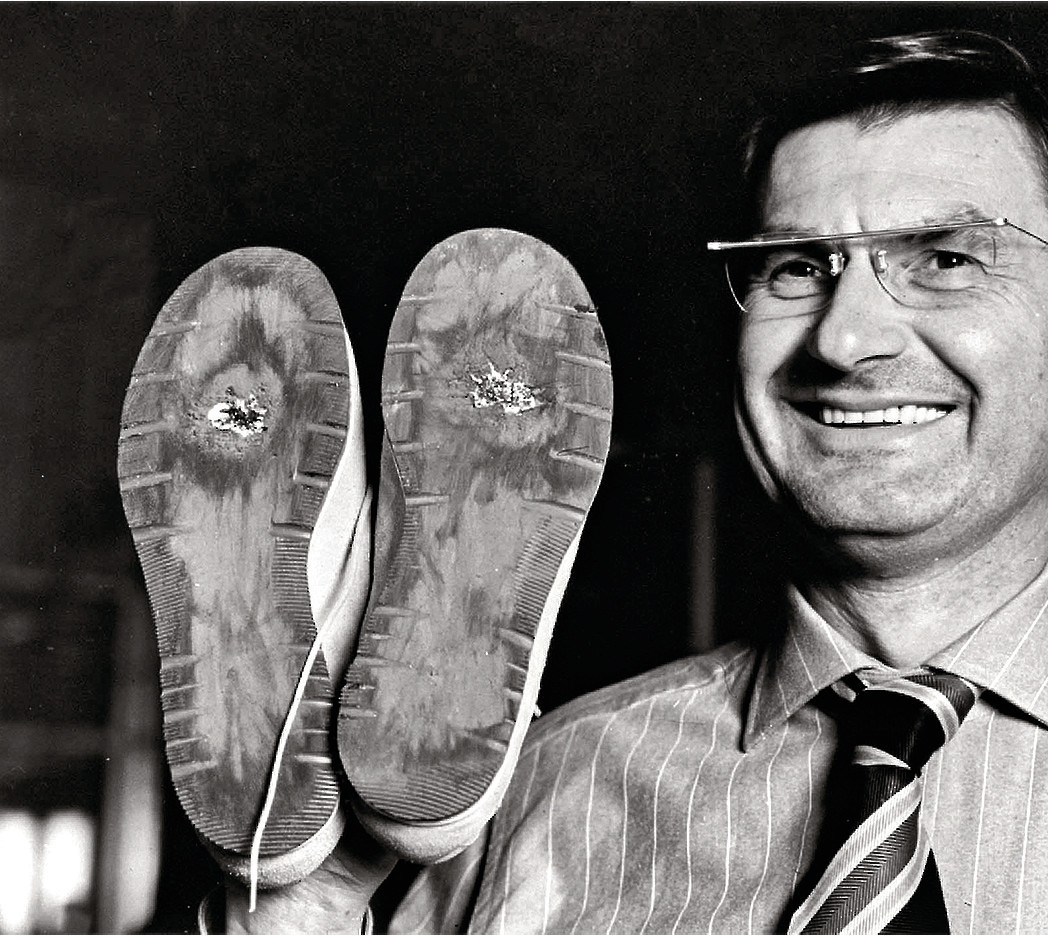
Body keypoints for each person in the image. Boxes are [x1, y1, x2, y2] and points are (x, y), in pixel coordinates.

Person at [170, 27, 1048, 934]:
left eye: (947, 260)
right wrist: (303, 907)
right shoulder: (541, 792)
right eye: (795, 268)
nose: (844, 337)